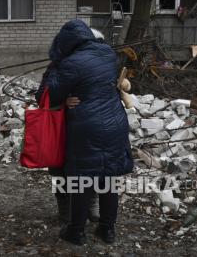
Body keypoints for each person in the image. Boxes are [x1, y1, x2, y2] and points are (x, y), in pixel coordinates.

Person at [45, 20, 134, 245]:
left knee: (83, 179)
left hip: (87, 125)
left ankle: (76, 232)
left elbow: (48, 95)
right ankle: (107, 230)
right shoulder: (107, 54)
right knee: (109, 178)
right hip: (115, 123)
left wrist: (57, 69)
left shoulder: (69, 63)